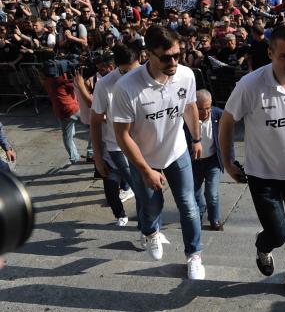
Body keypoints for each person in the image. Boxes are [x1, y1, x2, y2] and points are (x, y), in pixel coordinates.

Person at [219, 25, 285, 300]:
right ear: (270, 54)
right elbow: (228, 120)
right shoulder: (250, 85)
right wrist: (228, 160)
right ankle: (263, 244)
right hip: (262, 173)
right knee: (279, 233)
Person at [111, 25, 206, 280]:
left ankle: (194, 255)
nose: (173, 62)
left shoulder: (185, 75)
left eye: (178, 55)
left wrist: (196, 138)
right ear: (148, 55)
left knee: (189, 205)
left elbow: (190, 107)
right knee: (152, 206)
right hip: (144, 157)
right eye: (166, 57)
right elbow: (122, 135)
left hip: (176, 150)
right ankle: (151, 232)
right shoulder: (127, 87)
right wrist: (145, 170)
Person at [91, 45, 140, 227]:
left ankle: (147, 227)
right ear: (117, 67)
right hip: (117, 146)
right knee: (132, 186)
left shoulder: (147, 76)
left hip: (143, 143)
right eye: (125, 71)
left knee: (142, 188)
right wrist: (97, 156)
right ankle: (146, 227)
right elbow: (95, 120)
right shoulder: (104, 85)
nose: (131, 75)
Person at [186, 89, 231, 232]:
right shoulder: (186, 117)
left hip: (213, 161)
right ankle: (197, 217)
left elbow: (228, 139)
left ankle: (215, 219)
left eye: (207, 108)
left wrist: (230, 160)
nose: (205, 113)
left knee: (212, 194)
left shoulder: (219, 115)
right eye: (200, 109)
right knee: (194, 193)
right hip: (194, 162)